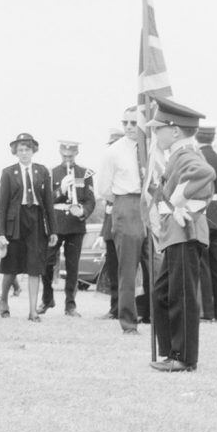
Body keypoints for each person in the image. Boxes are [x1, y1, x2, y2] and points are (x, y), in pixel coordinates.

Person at [146, 99, 216, 372]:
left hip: (186, 232)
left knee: (181, 297)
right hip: (177, 233)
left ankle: (184, 357)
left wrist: (177, 200)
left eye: (159, 128)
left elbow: (206, 173)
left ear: (174, 131)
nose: (155, 133)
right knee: (163, 293)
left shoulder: (185, 154)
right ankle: (172, 351)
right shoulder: (178, 155)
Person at [95, 107, 152, 335]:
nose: (129, 127)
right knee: (128, 268)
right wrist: (124, 202)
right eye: (125, 122)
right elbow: (104, 189)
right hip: (126, 204)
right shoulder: (114, 152)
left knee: (156, 266)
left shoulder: (151, 147)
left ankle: (154, 316)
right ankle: (128, 322)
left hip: (149, 204)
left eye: (133, 122)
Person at [0, 133, 57, 322]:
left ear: (33, 151)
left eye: (27, 149)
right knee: (11, 265)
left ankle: (32, 311)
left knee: (35, 266)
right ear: (15, 152)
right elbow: (2, 205)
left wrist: (53, 230)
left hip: (36, 220)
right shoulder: (8, 172)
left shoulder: (42, 171)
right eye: (20, 150)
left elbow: (48, 203)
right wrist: (0, 233)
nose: (24, 153)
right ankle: (4, 300)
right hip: (15, 221)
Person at [41, 141, 95, 316]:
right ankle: (47, 299)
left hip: (75, 224)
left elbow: (90, 200)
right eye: (64, 156)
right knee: (47, 262)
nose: (67, 159)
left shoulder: (84, 174)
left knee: (72, 266)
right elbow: (46, 200)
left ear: (76, 153)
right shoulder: (51, 172)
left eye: (70, 156)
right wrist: (61, 190)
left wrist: (83, 212)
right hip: (56, 224)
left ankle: (70, 305)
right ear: (59, 153)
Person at [196, 125, 217, 322]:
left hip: (203, 211)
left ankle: (206, 311)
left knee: (203, 264)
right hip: (216, 213)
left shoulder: (197, 158)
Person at [96, 127, 124, 317]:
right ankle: (115, 308)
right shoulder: (109, 165)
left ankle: (127, 308)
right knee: (114, 270)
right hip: (111, 226)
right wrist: (103, 232)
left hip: (126, 222)